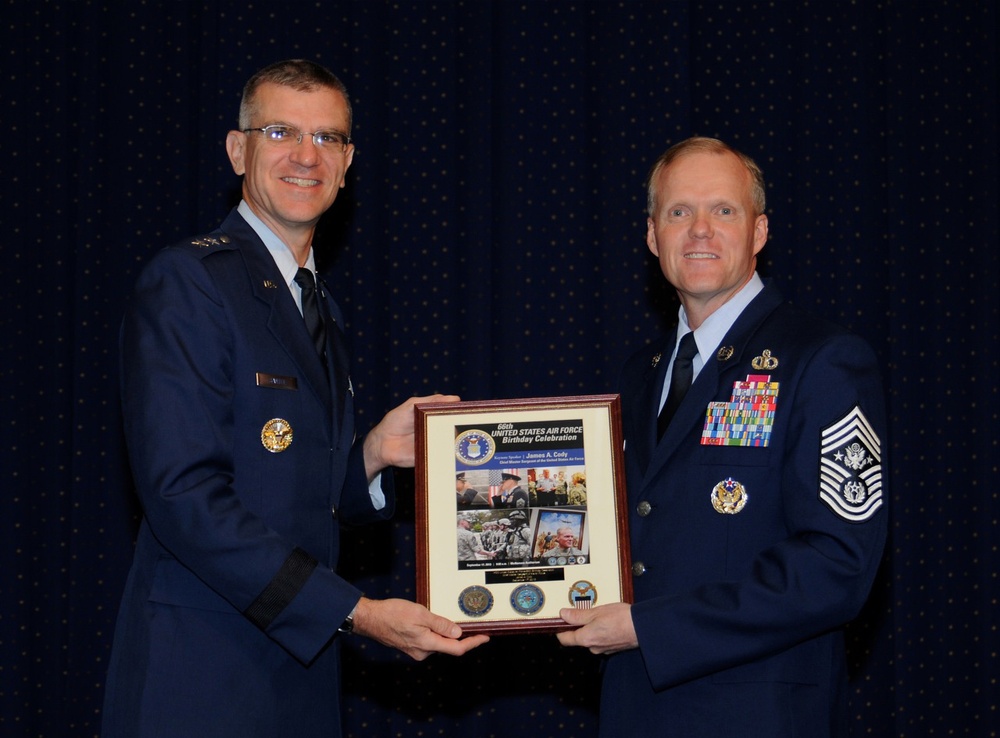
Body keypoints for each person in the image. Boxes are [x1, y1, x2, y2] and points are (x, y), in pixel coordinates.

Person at [102, 59, 487, 738]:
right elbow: (184, 495)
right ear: (237, 148)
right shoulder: (190, 283)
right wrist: (358, 612)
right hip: (201, 682)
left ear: (348, 163)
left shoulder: (317, 305)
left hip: (298, 681)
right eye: (281, 132)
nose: (307, 156)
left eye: (329, 139)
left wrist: (366, 457)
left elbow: (289, 490)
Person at [558, 137, 887, 737]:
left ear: (760, 232)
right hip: (635, 708)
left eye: (724, 211)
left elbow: (838, 565)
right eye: (679, 212)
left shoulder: (823, 361)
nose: (700, 230)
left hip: (759, 715)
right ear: (653, 236)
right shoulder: (640, 372)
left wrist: (647, 629)